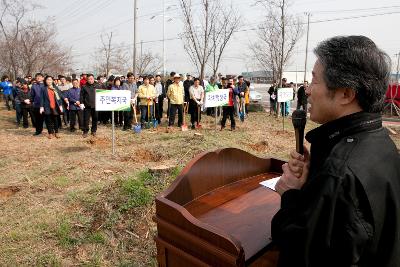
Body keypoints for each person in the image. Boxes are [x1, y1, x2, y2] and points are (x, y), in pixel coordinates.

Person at [272, 35, 400, 267]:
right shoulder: (382, 141)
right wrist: (317, 174)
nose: (307, 91)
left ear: (346, 94)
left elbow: (302, 252)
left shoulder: (340, 173)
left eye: (314, 80)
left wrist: (290, 193)